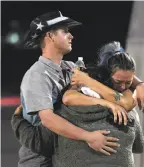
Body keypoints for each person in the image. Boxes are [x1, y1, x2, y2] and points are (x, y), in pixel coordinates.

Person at [12, 42, 144, 167]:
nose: (122, 87)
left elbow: (38, 140)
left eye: (128, 83)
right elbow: (139, 146)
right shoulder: (129, 112)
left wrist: (17, 119)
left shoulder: (65, 112)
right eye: (119, 81)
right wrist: (136, 86)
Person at [17, 10, 122, 167]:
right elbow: (48, 119)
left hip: (63, 155)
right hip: (41, 161)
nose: (71, 36)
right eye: (65, 31)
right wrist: (89, 137)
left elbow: (106, 77)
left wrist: (138, 84)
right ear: (50, 36)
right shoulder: (37, 75)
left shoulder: (71, 67)